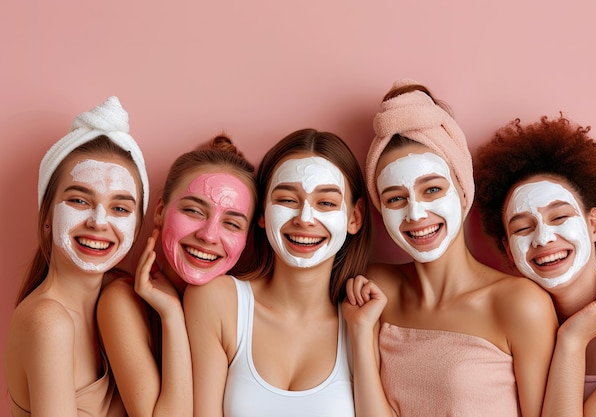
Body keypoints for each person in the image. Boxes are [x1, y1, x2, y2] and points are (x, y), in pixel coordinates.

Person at [343, 80, 558, 417]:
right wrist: (359, 331)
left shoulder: (520, 304)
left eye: (431, 190)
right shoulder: (374, 289)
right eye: (395, 198)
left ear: (461, 190)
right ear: (379, 209)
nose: (415, 214)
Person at [184, 128, 371, 417]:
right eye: (287, 200)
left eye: (326, 203)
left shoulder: (367, 318)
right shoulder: (218, 301)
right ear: (262, 212)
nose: (305, 219)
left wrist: (361, 332)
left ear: (354, 217)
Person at [3, 96, 149, 417]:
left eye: (120, 208)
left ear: (137, 228)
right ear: (47, 216)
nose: (99, 221)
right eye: (80, 201)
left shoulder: (119, 297)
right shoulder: (49, 322)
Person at [474, 115, 596, 416]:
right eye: (521, 228)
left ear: (594, 224)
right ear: (508, 249)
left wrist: (572, 340)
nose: (543, 238)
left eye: (559, 217)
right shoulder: (516, 322)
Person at [97, 134, 257, 417]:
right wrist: (171, 315)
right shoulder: (121, 302)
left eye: (232, 223)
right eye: (194, 211)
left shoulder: (243, 309)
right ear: (160, 211)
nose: (208, 235)